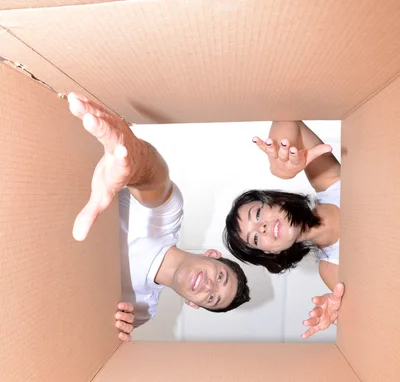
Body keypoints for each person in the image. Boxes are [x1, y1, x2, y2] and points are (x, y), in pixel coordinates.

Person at [68, 93, 250, 340]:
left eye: (211, 298)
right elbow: (155, 179)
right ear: (211, 254)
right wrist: (133, 158)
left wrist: (105, 331)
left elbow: (84, 325)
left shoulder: (142, 310)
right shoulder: (167, 219)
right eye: (220, 276)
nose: (209, 285)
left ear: (193, 304)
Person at [224, 120, 344, 339]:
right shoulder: (331, 269)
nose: (262, 227)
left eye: (258, 214)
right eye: (256, 239)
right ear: (272, 253)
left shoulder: (328, 180)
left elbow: (289, 118)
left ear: (276, 201)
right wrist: (345, 317)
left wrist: (281, 159)